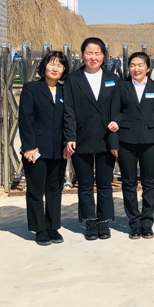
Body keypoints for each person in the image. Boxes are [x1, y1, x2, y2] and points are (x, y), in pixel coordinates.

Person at [63, 37, 120, 241]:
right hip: (82, 137)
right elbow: (68, 110)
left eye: (97, 53)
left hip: (106, 138)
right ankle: (89, 221)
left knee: (105, 183)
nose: (93, 57)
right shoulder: (73, 79)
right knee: (85, 183)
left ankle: (104, 221)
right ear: (82, 55)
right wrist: (70, 136)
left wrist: (117, 123)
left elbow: (120, 108)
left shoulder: (114, 79)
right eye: (89, 53)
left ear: (104, 56)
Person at [110, 52, 154, 239]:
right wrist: (114, 142)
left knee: (149, 183)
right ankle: (134, 222)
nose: (136, 69)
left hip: (151, 142)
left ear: (148, 68)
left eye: (140, 65)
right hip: (126, 141)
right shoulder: (122, 86)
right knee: (129, 183)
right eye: (132, 65)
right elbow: (114, 114)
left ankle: (147, 222)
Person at [19, 50, 69, 246]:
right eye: (52, 63)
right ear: (44, 66)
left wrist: (67, 144)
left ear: (64, 70)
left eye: (60, 65)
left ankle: (52, 226)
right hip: (36, 149)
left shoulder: (65, 91)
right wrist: (30, 147)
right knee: (36, 189)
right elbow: (26, 119)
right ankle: (40, 228)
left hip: (59, 150)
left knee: (55, 189)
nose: (55, 68)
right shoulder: (31, 88)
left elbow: (68, 120)